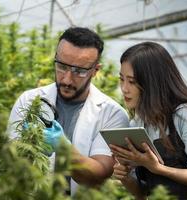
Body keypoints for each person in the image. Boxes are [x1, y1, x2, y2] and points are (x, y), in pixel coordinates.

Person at [7, 27, 129, 195]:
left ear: (95, 70)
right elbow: (9, 161)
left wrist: (63, 148)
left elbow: (98, 175)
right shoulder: (29, 101)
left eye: (79, 71)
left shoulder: (112, 114)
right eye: (62, 66)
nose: (67, 79)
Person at [111, 41, 187, 200]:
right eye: (122, 79)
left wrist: (158, 168)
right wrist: (125, 177)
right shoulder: (137, 124)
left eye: (132, 81)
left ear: (152, 82)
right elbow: (142, 194)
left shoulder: (185, 114)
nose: (124, 88)